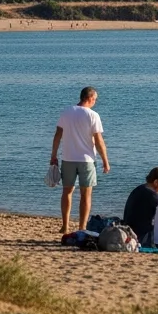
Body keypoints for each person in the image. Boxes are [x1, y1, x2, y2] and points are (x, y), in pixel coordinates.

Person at [50, 86, 111, 235]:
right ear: (90, 98)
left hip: (68, 157)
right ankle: (82, 227)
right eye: (95, 99)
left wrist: (53, 155)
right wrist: (105, 160)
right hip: (87, 160)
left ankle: (65, 226)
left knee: (67, 191)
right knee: (86, 194)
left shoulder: (66, 112)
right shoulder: (93, 115)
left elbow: (58, 134)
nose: (95, 102)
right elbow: (98, 140)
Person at [122, 167, 158, 244]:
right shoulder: (152, 195)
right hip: (141, 236)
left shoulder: (140, 188)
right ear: (156, 182)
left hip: (129, 231)